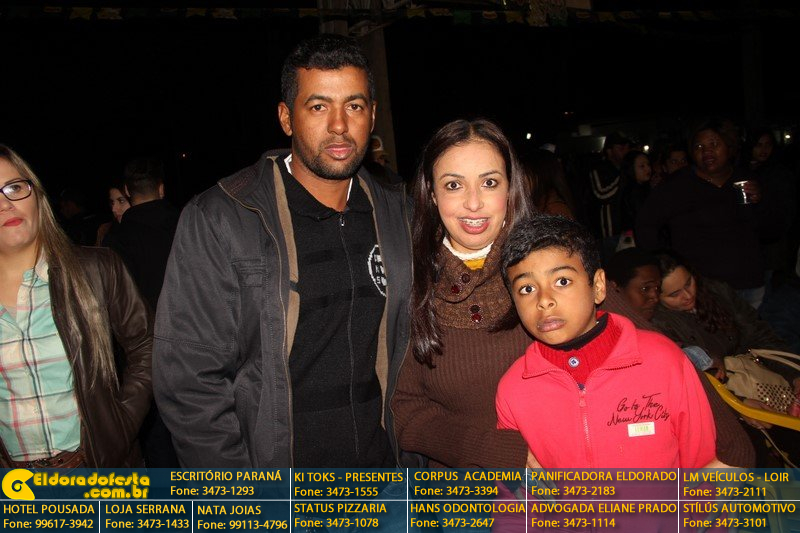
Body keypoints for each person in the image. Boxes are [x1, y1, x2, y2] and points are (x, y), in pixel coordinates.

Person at [153, 34, 412, 468]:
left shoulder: (398, 212)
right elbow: (190, 382)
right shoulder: (223, 218)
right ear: (286, 118)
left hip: (385, 481)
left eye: (353, 105)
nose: (339, 125)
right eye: (318, 107)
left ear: (371, 114)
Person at [496, 214, 716, 468]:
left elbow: (703, 465)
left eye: (562, 281)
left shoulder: (663, 361)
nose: (544, 300)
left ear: (598, 286)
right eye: (527, 289)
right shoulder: (514, 390)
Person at [391, 118, 533, 469]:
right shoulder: (409, 277)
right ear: (432, 193)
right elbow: (403, 408)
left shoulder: (555, 262)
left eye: (489, 183)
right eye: (454, 185)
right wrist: (497, 453)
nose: (473, 203)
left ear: (510, 187)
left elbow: (648, 354)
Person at [0, 144, 152, 468]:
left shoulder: (97, 269)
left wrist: (121, 425)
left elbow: (146, 345)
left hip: (97, 472)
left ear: (36, 195)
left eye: (14, 187)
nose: (4, 204)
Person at [605, 247, 756, 468]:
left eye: (657, 289)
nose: (654, 297)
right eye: (646, 289)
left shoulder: (713, 296)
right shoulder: (650, 338)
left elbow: (757, 331)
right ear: (613, 289)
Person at [653, 249, 800, 466]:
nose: (688, 295)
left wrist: (794, 375)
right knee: (754, 454)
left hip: (760, 381)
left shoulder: (716, 291)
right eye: (674, 294)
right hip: (722, 405)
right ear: (656, 296)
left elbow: (760, 335)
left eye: (689, 283)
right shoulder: (658, 323)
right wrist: (738, 406)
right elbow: (691, 383)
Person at [637, 119, 781, 310]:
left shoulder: (746, 179)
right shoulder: (677, 186)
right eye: (699, 146)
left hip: (748, 284)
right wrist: (664, 267)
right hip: (703, 289)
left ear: (729, 146)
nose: (707, 152)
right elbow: (645, 225)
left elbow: (770, 230)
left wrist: (760, 201)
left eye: (714, 144)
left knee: (753, 328)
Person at [113, 156, 180, 311]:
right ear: (161, 189)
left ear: (127, 190)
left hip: (147, 323)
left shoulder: (116, 238)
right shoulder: (187, 224)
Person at [588, 131, 630, 261]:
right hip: (610, 232)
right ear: (609, 151)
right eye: (621, 148)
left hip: (628, 230)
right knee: (614, 264)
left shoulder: (626, 169)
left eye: (627, 148)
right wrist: (623, 177)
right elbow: (601, 194)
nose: (626, 152)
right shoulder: (598, 169)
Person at [95, 180, 129, 247]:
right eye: (112, 203)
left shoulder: (145, 230)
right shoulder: (105, 230)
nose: (114, 209)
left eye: (121, 201)